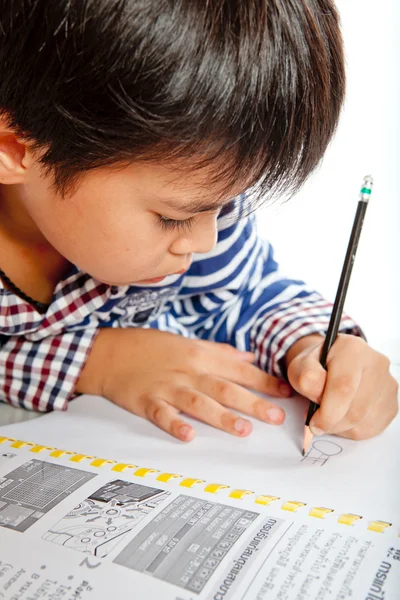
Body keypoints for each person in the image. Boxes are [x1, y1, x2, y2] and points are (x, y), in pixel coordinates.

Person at [0, 0, 397, 443]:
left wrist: (314, 348)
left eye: (224, 205)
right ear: (14, 150)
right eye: (172, 218)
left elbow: (243, 295)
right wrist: (98, 362)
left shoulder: (195, 210)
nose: (207, 240)